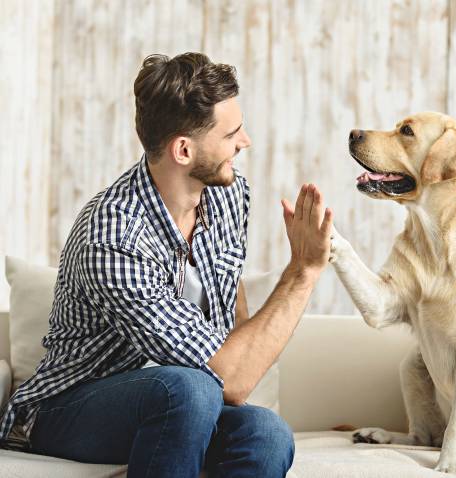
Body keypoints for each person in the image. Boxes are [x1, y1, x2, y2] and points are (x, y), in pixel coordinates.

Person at [0, 52, 333, 478]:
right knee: (188, 388)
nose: (245, 141)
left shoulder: (229, 194)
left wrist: (238, 373)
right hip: (68, 407)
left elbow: (231, 302)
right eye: (231, 133)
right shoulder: (114, 236)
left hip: (186, 399)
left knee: (266, 433)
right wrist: (303, 271)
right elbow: (228, 378)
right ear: (183, 150)